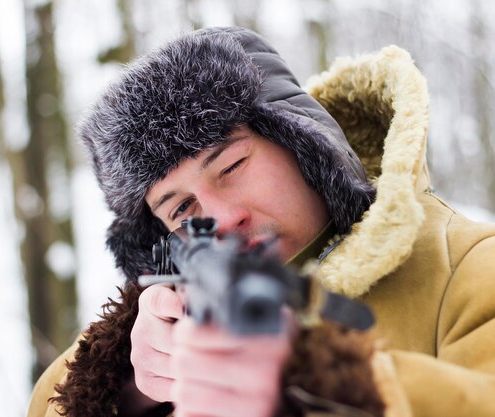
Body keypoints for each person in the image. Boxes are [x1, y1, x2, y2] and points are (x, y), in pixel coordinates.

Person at [26, 27, 495, 417]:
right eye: (182, 209)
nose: (224, 219)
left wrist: (324, 380)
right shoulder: (170, 321)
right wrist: (129, 384)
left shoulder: (469, 267)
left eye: (231, 167)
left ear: (300, 141)